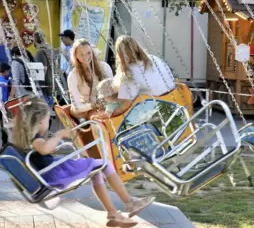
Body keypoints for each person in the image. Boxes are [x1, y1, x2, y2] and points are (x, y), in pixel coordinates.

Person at [11, 96, 154, 227]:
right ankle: (130, 203)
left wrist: (49, 148)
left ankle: (113, 214)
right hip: (56, 174)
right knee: (105, 163)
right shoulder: (36, 139)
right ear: (41, 120)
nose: (48, 123)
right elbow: (43, 149)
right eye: (48, 119)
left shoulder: (26, 140)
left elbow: (42, 152)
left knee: (96, 171)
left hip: (52, 171)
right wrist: (59, 135)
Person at [113, 36, 176, 115]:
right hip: (174, 104)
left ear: (120, 54)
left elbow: (125, 104)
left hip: (154, 111)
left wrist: (111, 113)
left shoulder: (130, 72)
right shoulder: (154, 58)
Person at [68, 39, 113, 120]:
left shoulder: (104, 67)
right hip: (84, 109)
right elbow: (77, 106)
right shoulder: (73, 76)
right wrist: (93, 105)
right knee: (96, 116)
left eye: (88, 53)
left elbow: (112, 90)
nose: (86, 57)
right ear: (76, 56)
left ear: (92, 52)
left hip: (106, 105)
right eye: (82, 54)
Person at [33, 31, 55, 107]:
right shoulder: (51, 51)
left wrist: (39, 89)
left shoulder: (40, 52)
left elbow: (42, 70)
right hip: (54, 86)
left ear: (35, 41)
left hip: (46, 88)